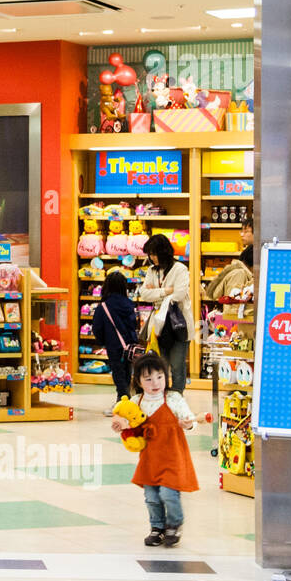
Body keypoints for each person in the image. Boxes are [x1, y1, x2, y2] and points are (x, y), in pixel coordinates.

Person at [111, 352, 201, 547]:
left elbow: (190, 419)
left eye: (160, 377)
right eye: (148, 378)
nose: (155, 383)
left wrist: (188, 424)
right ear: (139, 381)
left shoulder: (174, 398)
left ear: (166, 377)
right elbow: (123, 418)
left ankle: (174, 523)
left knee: (169, 493)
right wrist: (120, 424)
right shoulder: (136, 401)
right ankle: (157, 527)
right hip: (150, 457)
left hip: (173, 455)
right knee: (151, 496)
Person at [138, 233, 191, 393]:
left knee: (177, 366)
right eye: (150, 254)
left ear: (164, 252)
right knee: (161, 366)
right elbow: (144, 294)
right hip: (159, 324)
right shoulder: (151, 271)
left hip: (177, 324)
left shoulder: (180, 269)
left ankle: (177, 399)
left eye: (154, 253)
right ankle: (162, 399)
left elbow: (179, 294)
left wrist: (156, 292)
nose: (152, 257)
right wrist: (166, 291)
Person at [90, 271, 140, 412]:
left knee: (117, 373)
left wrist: (102, 341)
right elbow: (133, 325)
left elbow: (97, 327)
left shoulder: (104, 306)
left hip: (113, 345)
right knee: (126, 371)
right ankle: (125, 399)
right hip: (129, 345)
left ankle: (123, 401)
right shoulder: (129, 304)